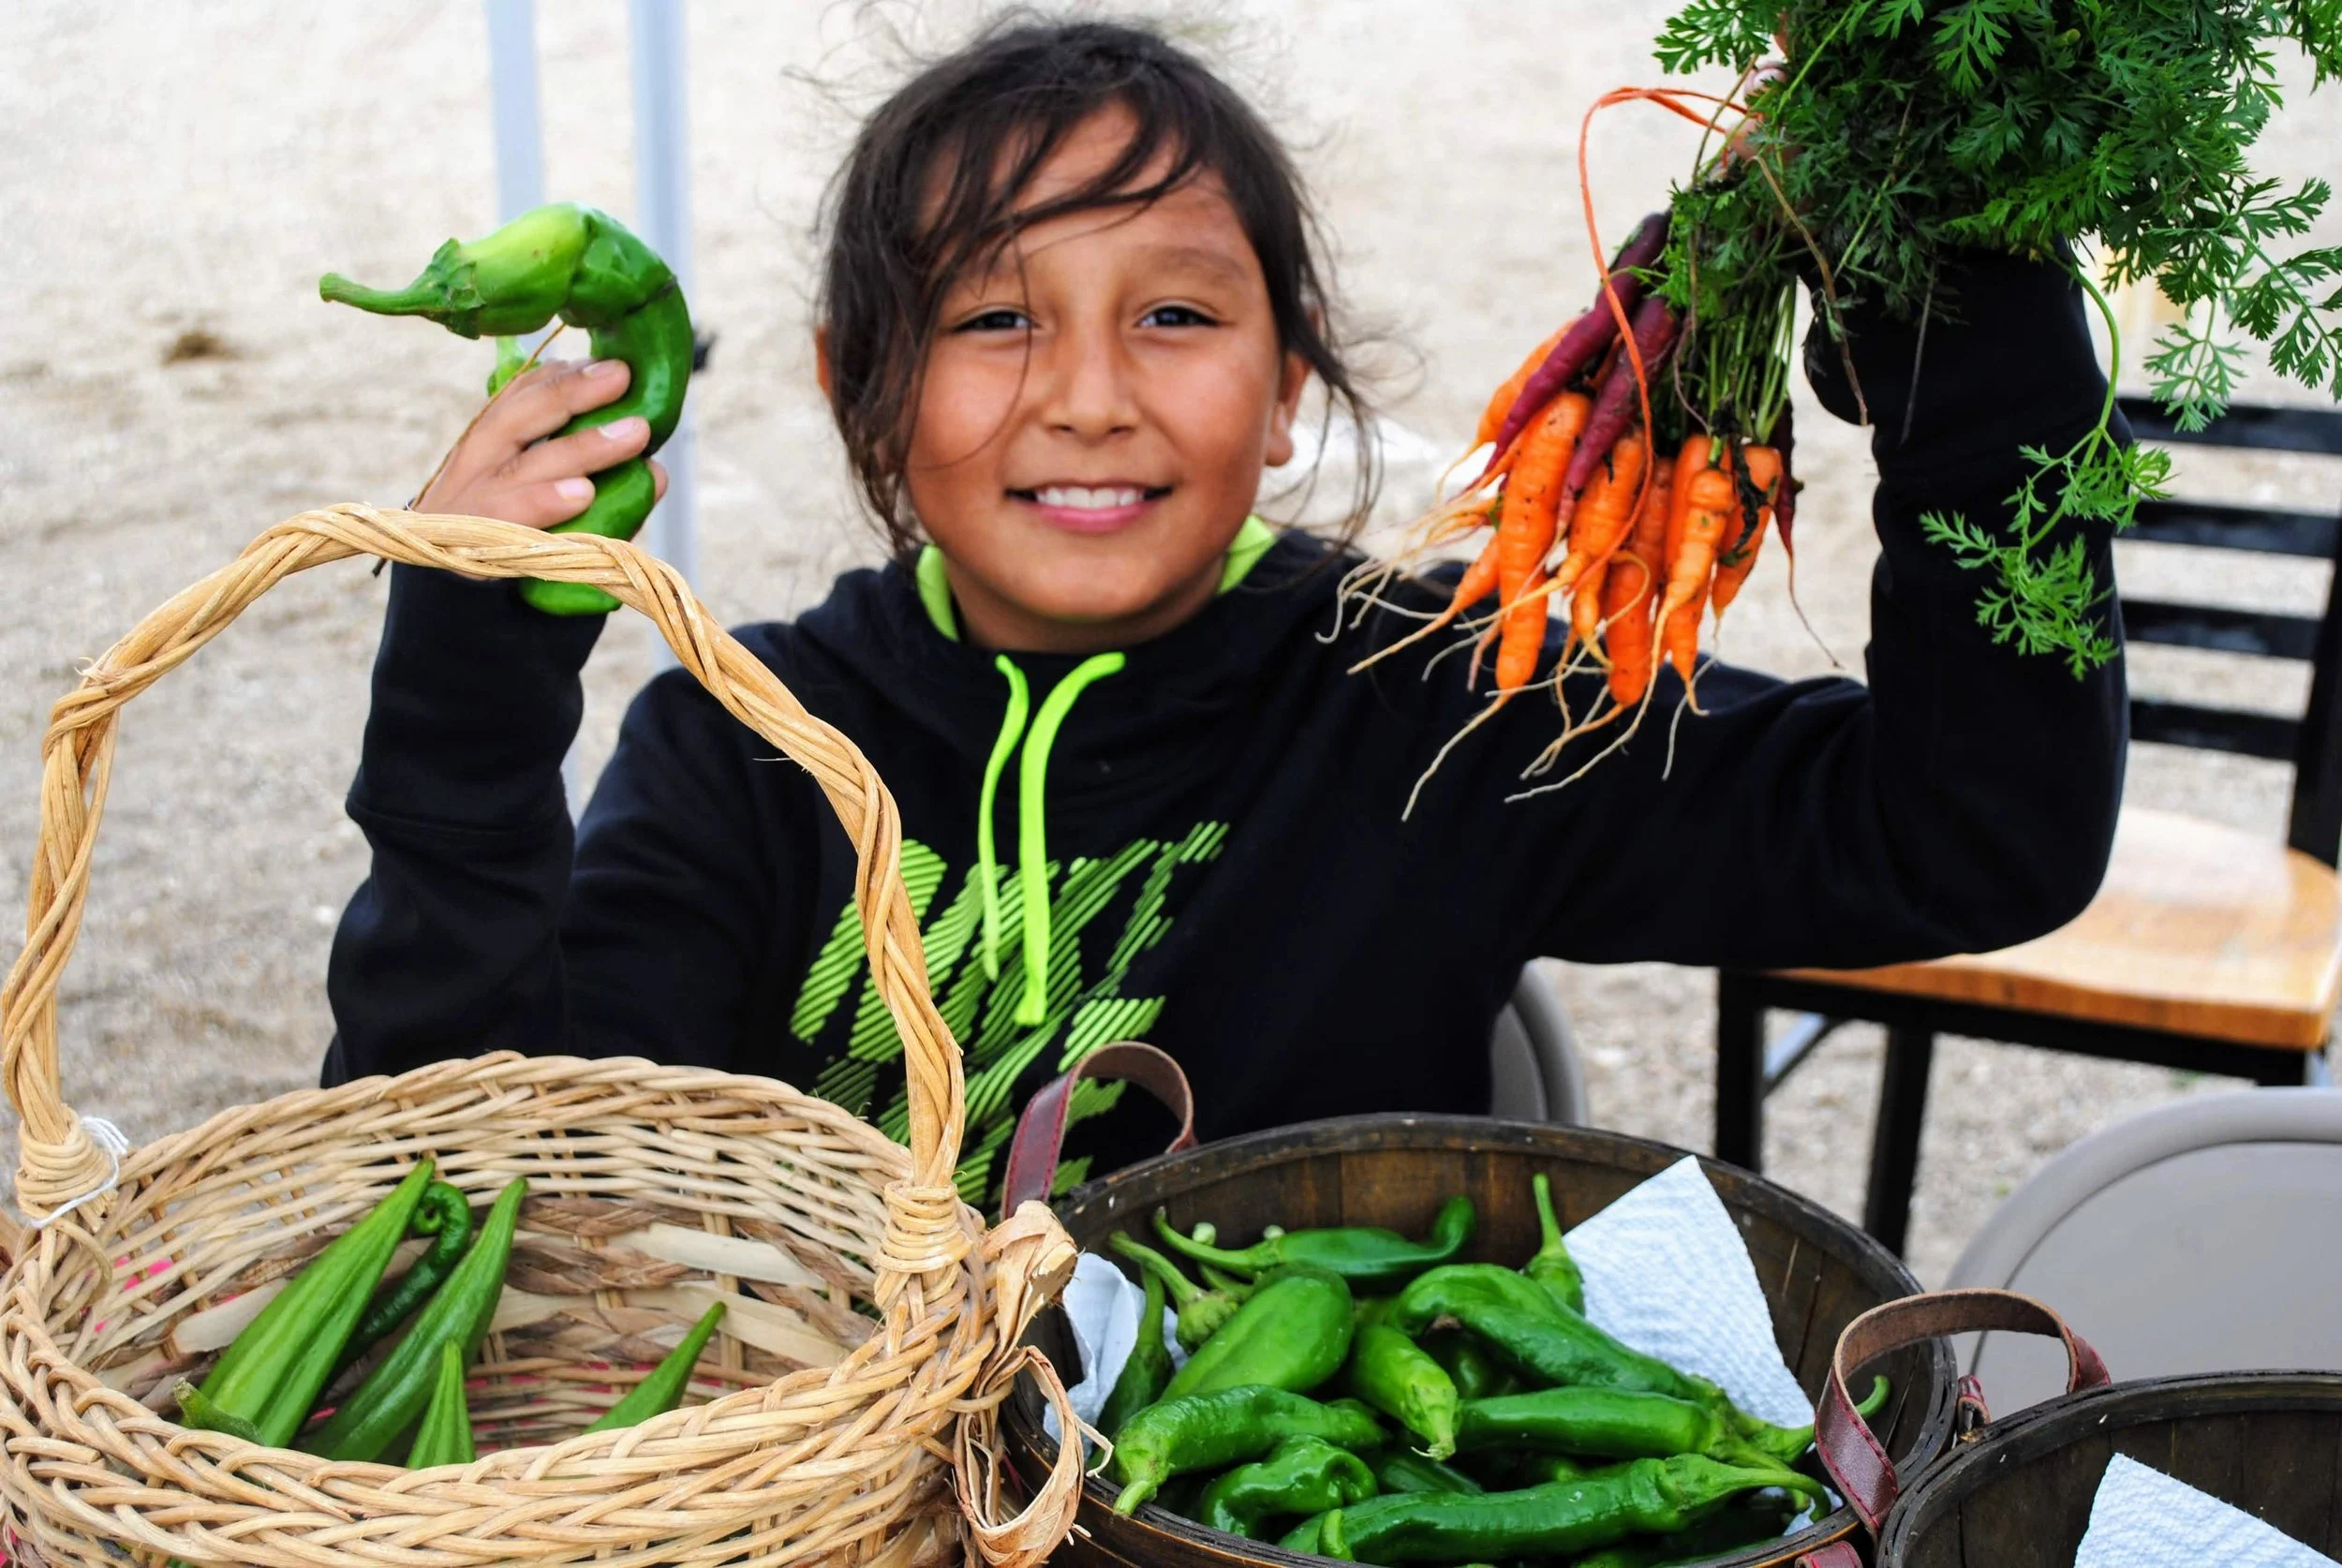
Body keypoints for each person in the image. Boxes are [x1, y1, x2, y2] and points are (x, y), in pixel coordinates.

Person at [322, 19, 2126, 1202]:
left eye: (1176, 317)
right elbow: (480, 1177)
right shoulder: (744, 744)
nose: (1090, 394)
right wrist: (468, 690)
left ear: (1286, 389)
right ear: (858, 387)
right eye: (992, 318)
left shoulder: (1440, 702)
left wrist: (1966, 323)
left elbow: (1970, 831)